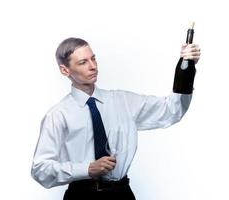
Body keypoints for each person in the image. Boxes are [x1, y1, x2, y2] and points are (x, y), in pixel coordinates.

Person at [31, 37, 201, 200]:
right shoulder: (58, 115)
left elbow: (171, 110)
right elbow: (40, 169)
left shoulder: (123, 102)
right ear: (65, 70)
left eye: (93, 59)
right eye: (83, 62)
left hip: (121, 194)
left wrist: (187, 70)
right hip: (81, 195)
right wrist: (87, 169)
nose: (93, 67)